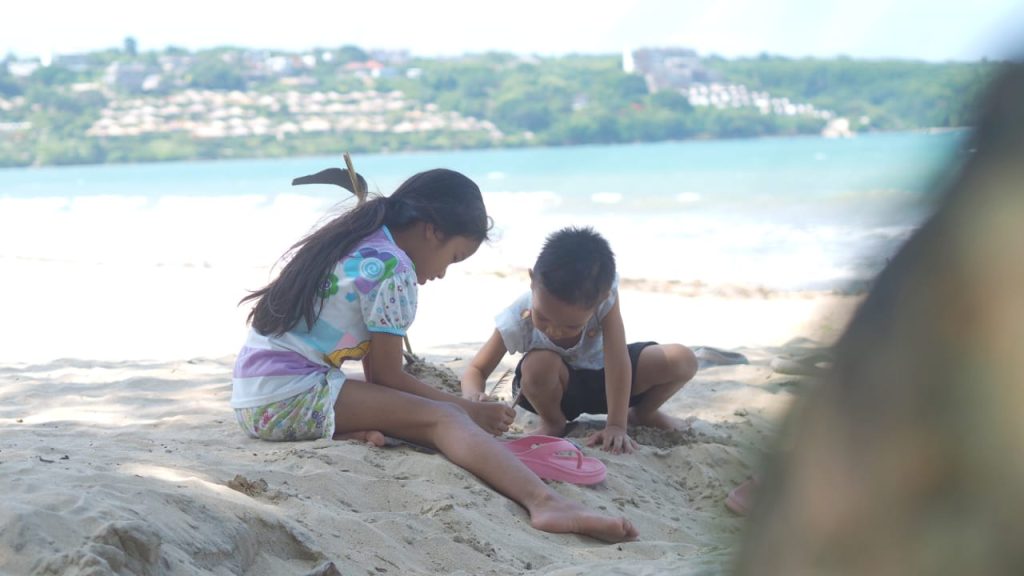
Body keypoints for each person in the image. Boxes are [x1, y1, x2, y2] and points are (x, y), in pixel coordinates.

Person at [232, 169, 637, 543]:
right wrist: (464, 408)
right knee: (444, 419)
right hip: (285, 397)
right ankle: (546, 503)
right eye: (454, 257)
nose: (443, 272)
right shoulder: (394, 270)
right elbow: (388, 378)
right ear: (431, 231)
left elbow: (379, 380)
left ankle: (345, 426)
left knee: (420, 414)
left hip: (260, 390)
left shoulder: (363, 242)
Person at [460, 226, 699, 454]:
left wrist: (616, 425)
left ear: (602, 298)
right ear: (532, 281)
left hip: (608, 382)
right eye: (543, 317)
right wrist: (474, 399)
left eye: (571, 325)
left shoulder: (603, 295)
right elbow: (477, 369)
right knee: (538, 364)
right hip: (556, 393)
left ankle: (641, 414)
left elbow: (617, 360)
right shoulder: (518, 318)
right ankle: (554, 423)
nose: (554, 330)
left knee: (682, 359)